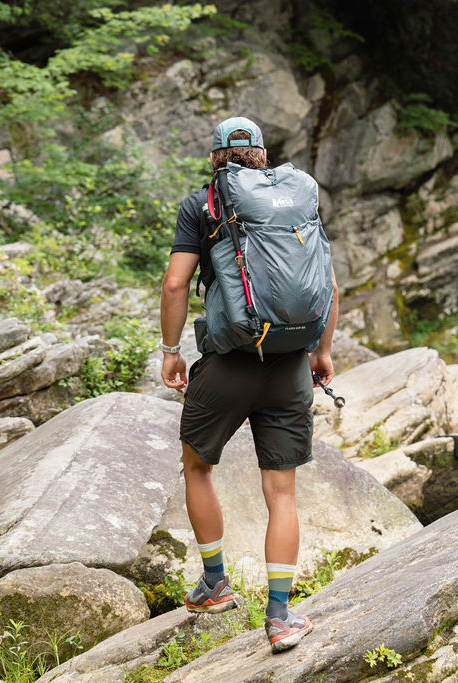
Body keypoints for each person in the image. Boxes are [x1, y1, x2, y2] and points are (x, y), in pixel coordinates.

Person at [159, 116, 338, 654]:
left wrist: (171, 353)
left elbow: (175, 284)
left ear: (217, 157)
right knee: (280, 491)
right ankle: (281, 616)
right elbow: (326, 282)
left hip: (229, 361)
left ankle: (214, 584)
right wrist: (322, 352)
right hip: (289, 366)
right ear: (263, 154)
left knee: (197, 465)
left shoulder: (203, 204)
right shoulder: (297, 196)